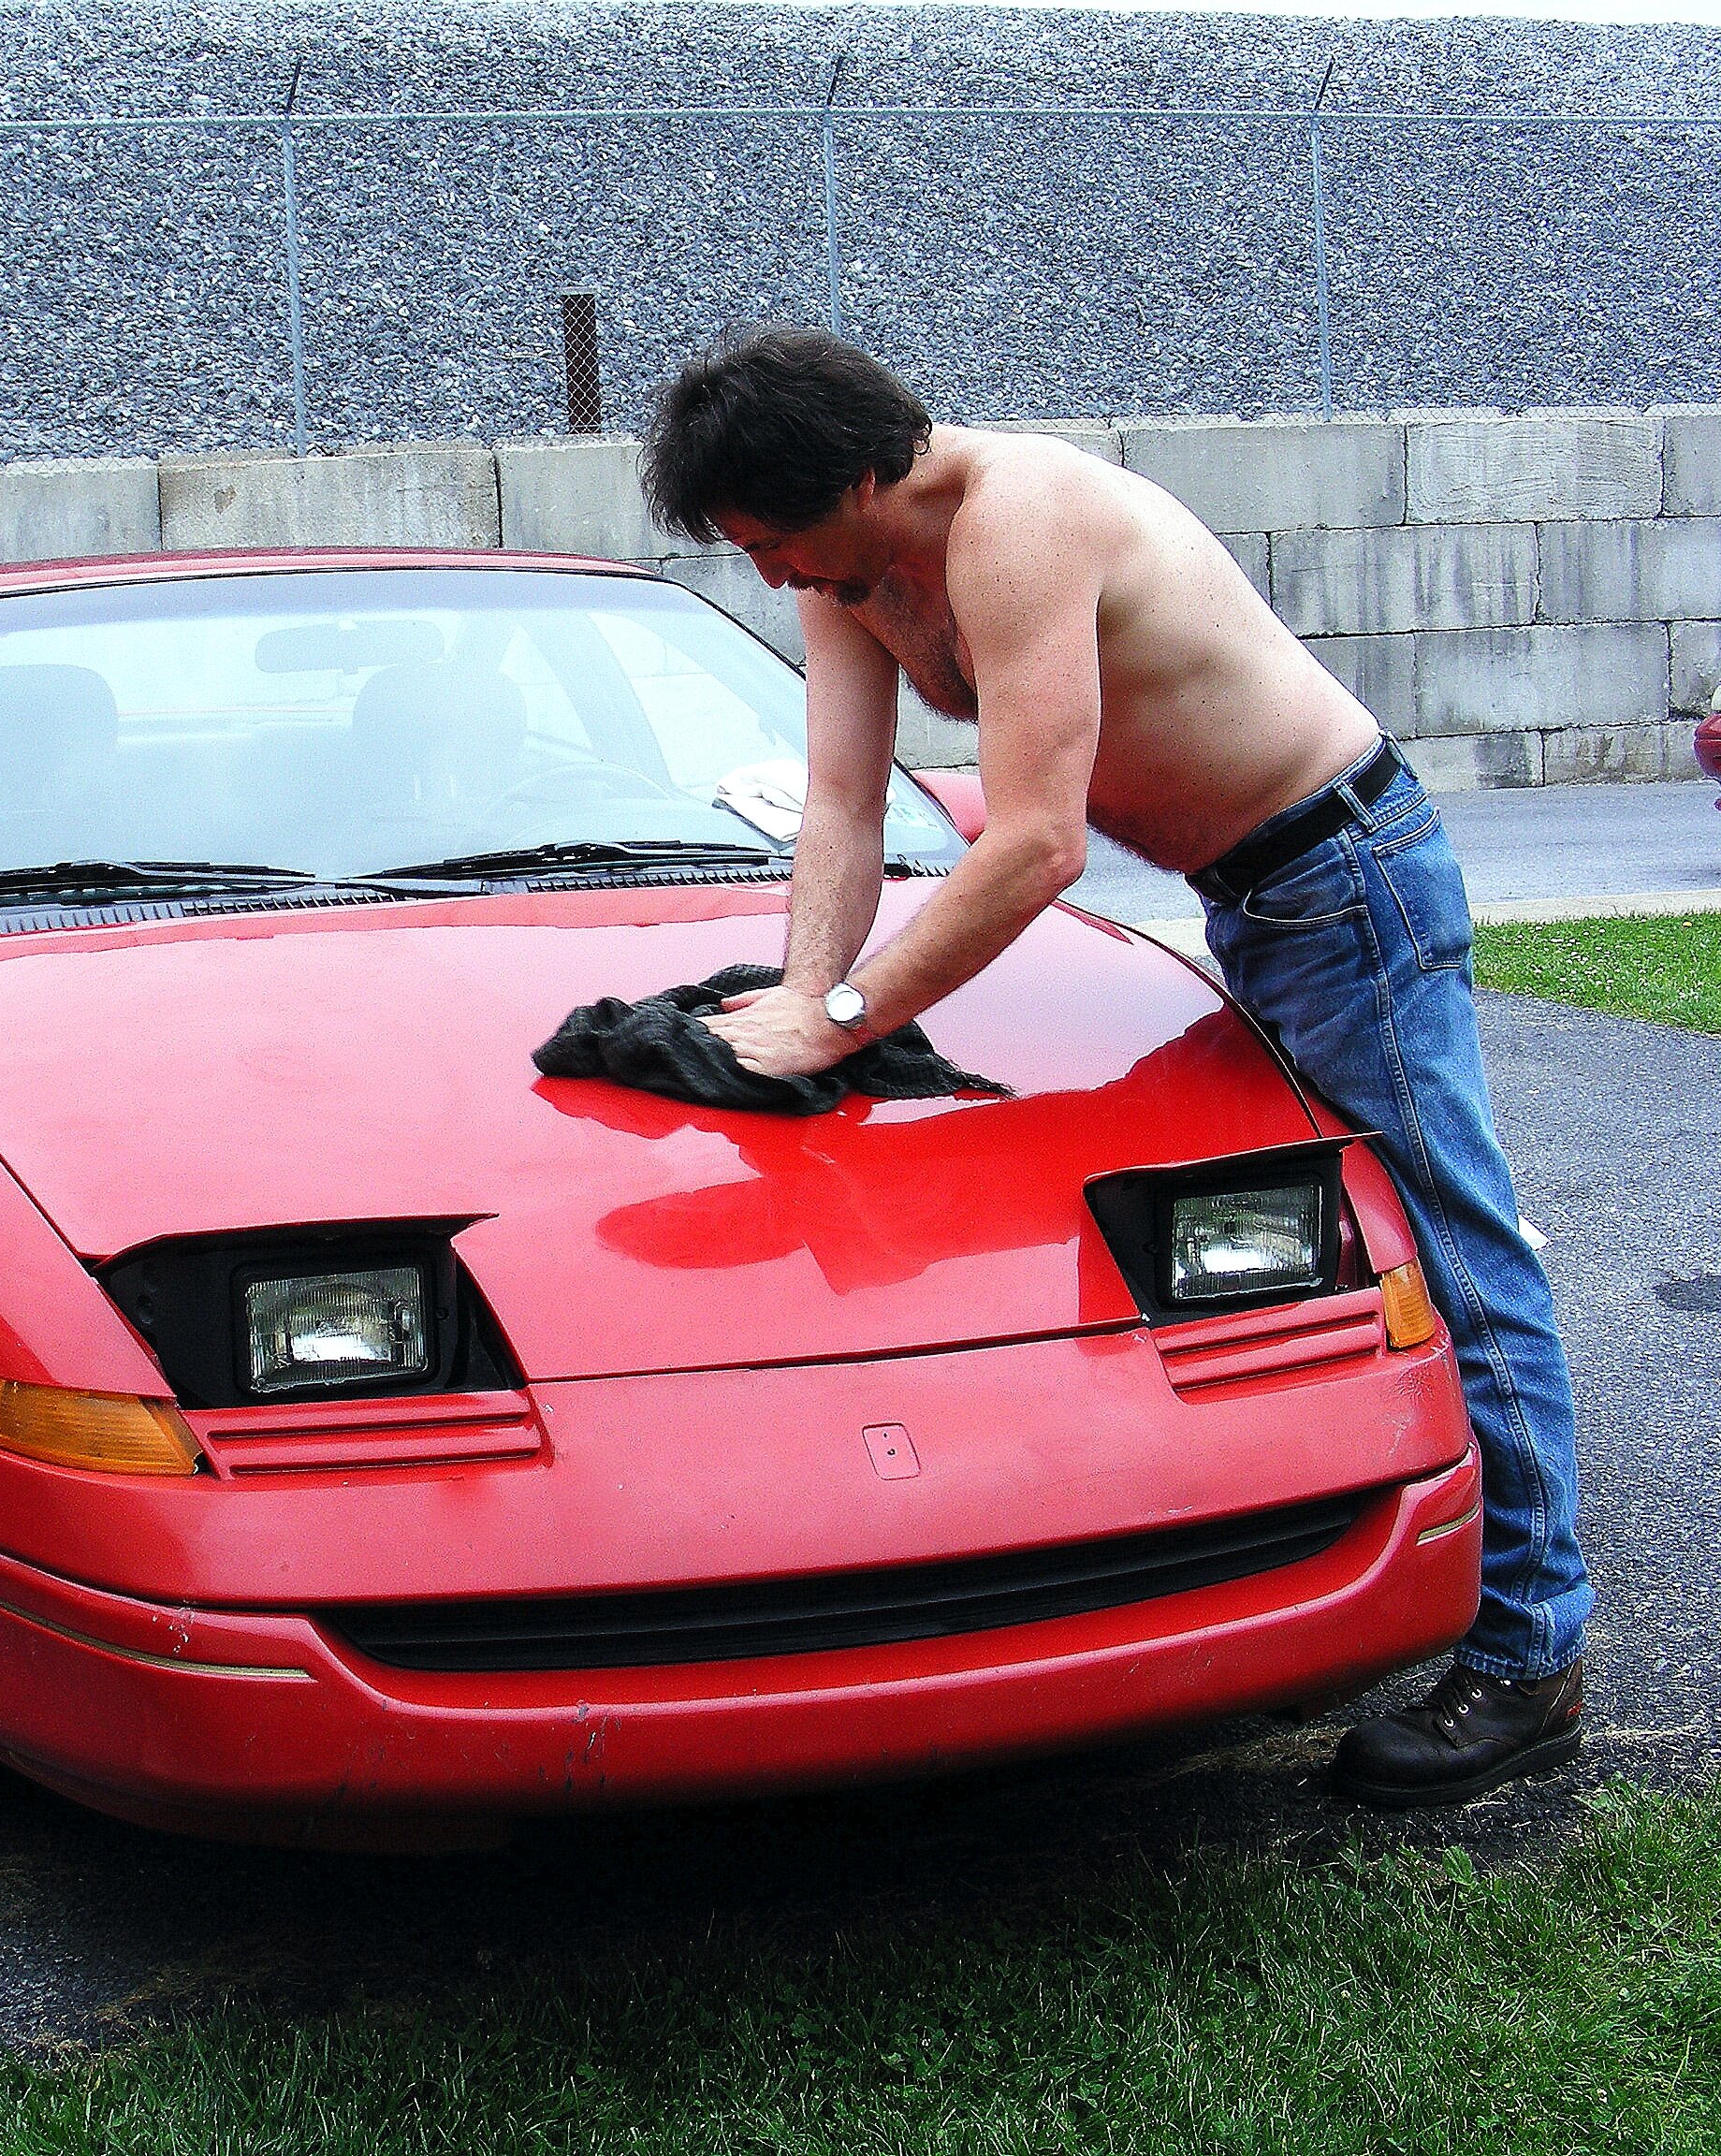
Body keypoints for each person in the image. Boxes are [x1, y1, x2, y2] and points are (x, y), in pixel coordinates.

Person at [641, 327, 1592, 1808]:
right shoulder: (849, 571)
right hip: (1255, 893)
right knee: (1297, 1247)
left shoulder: (1023, 520)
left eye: (777, 540)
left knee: (1449, 1244)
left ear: (867, 474)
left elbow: (1033, 841)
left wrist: (837, 1023)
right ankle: (1323, 1554)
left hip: (1348, 880)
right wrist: (801, 997)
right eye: (746, 552)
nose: (771, 576)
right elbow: (839, 803)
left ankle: (1534, 1655)